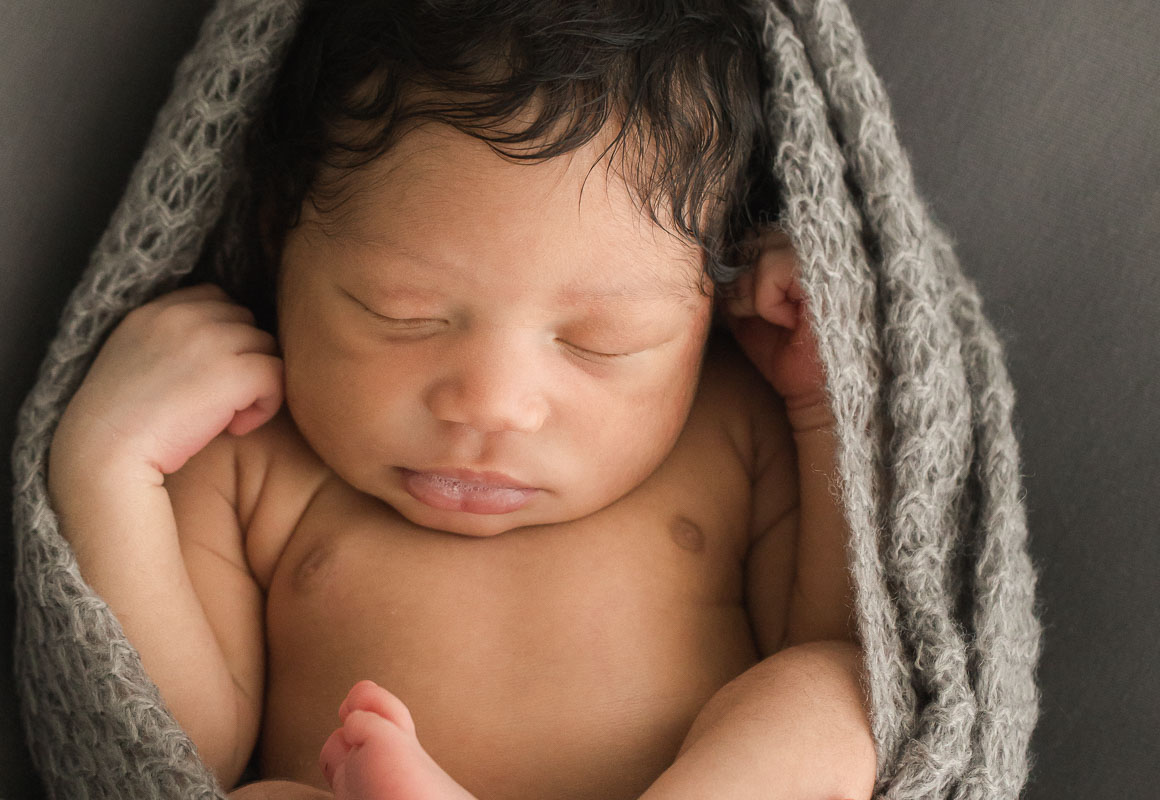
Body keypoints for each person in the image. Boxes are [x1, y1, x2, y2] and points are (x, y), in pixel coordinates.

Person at [47, 2, 878, 798]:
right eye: (402, 315)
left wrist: (821, 405)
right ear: (278, 236)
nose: (490, 405)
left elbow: (838, 628)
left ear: (710, 298)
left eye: (602, 342)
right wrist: (111, 465)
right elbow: (176, 753)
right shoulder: (250, 448)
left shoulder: (731, 425)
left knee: (832, 693)